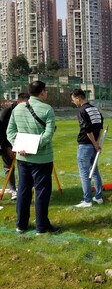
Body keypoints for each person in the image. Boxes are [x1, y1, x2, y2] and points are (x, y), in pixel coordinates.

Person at [7, 81, 60, 235]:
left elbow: (10, 131)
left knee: (23, 191)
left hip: (23, 158)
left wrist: (19, 146)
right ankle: (41, 227)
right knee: (42, 192)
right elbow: (48, 135)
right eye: (46, 91)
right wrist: (34, 147)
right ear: (42, 92)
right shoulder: (47, 109)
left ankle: (21, 225)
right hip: (42, 159)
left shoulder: (17, 108)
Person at [71, 89, 104, 208]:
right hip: (94, 144)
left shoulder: (82, 111)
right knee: (94, 171)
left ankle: (87, 200)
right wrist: (97, 142)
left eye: (73, 100)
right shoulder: (95, 109)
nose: (74, 102)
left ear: (78, 98)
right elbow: (100, 127)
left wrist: (95, 143)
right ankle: (99, 197)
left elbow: (86, 129)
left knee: (84, 173)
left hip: (85, 145)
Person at [0, 93, 30, 200]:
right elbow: (2, 132)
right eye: (24, 102)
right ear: (18, 101)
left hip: (21, 141)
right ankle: (13, 190)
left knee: (25, 165)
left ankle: (25, 187)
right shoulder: (6, 112)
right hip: (6, 143)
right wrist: (8, 147)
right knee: (9, 167)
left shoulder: (27, 110)